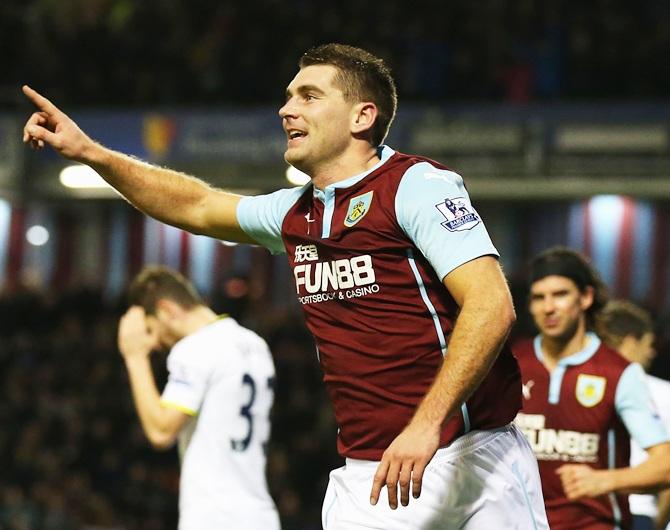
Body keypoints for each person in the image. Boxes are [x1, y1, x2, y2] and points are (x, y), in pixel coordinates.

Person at [22, 43, 549, 529]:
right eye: (288, 96)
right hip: (370, 473)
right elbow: (197, 205)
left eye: (309, 95)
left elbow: (491, 305)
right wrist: (95, 154)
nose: (286, 109)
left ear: (362, 117)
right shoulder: (294, 213)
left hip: (472, 456)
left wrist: (426, 424)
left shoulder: (415, 186)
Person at [513, 247, 670, 530]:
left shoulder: (618, 372)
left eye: (560, 294)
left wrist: (604, 480)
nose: (549, 307)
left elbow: (666, 465)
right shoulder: (511, 364)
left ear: (585, 297)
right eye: (539, 297)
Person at [117, 266, 280, 530]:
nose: (155, 342)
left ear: (167, 310)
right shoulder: (255, 344)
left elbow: (160, 431)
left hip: (215, 517)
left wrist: (135, 357)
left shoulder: (196, 348)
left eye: (152, 329)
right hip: (260, 514)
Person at [599, 300, 670, 530]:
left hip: (585, 510)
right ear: (630, 341)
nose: (652, 352)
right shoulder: (663, 392)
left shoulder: (571, 385)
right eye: (648, 343)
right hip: (638, 514)